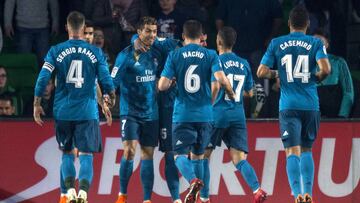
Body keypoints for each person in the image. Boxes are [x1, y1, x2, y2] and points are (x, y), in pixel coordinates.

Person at [33, 11, 115, 203]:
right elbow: (105, 80)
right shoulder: (95, 52)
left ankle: (69, 192)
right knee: (86, 155)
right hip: (87, 112)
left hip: (63, 111)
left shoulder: (56, 50)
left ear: (67, 28)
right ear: (84, 27)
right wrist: (109, 98)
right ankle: (83, 193)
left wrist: (37, 103)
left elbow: (43, 78)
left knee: (67, 154)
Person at [257, 6, 331, 203]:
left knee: (292, 151)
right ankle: (309, 194)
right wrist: (315, 78)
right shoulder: (316, 42)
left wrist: (277, 73)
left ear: (289, 24)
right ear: (307, 24)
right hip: (310, 105)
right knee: (307, 150)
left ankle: (297, 195)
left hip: (288, 106)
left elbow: (261, 72)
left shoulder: (276, 42)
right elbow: (326, 69)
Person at [158, 20, 235, 203]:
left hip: (183, 114)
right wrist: (230, 93)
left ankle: (193, 181)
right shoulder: (210, 54)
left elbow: (162, 86)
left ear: (183, 36)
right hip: (205, 115)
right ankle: (202, 198)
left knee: (179, 156)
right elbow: (220, 79)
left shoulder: (175, 55)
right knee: (199, 157)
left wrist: (171, 82)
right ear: (201, 37)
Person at [198, 26, 267, 203]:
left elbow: (215, 86)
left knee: (204, 156)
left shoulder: (214, 60)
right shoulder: (243, 63)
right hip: (237, 115)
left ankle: (204, 199)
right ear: (233, 43)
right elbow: (250, 93)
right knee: (239, 160)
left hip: (216, 114)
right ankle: (257, 190)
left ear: (218, 41)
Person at [111, 16, 161, 203]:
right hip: (130, 112)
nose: (152, 35)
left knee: (148, 154)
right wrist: (107, 97)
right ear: (139, 32)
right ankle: (122, 195)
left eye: (154, 31)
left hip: (151, 112)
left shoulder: (157, 51)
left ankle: (147, 199)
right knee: (129, 151)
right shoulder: (125, 55)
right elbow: (112, 81)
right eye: (148, 31)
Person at [313, 29, 354, 118]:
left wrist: (342, 116)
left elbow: (348, 92)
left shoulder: (339, 62)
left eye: (320, 42)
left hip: (336, 115)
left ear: (327, 45)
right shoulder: (304, 64)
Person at [4, 0, 59, 66]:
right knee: (23, 61)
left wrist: (55, 22)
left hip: (42, 27)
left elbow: (53, 3)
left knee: (45, 61)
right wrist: (7, 24)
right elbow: (9, 3)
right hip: (23, 27)